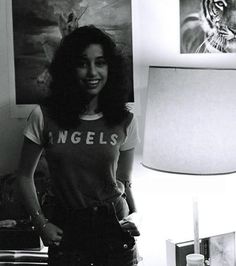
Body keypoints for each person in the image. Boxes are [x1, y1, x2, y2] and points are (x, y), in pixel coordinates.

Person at [17, 25, 140, 266]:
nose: (92, 72)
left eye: (100, 62)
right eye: (83, 63)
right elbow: (23, 176)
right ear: (69, 68)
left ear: (110, 68)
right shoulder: (43, 117)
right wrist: (41, 224)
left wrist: (136, 216)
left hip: (115, 231)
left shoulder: (125, 120)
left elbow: (124, 180)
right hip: (67, 230)